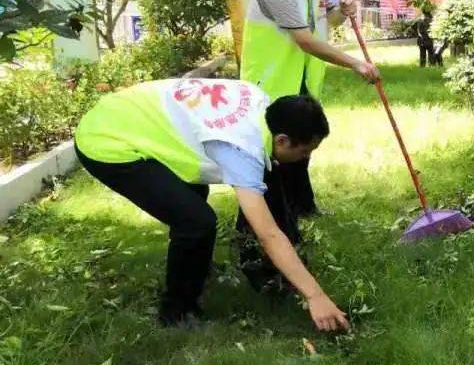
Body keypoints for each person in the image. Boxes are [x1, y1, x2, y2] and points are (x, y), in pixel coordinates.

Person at [74, 78, 351, 332]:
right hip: (107, 139)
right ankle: (177, 314)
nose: (304, 159)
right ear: (282, 140)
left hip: (132, 113)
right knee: (196, 221)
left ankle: (197, 269)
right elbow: (268, 233)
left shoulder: (262, 102)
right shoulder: (241, 149)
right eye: (304, 152)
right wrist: (315, 295)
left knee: (193, 198)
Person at [241, 0, 378, 218]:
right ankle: (270, 219)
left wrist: (343, 10)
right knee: (274, 157)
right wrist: (356, 64)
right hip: (272, 85)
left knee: (303, 146)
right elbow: (304, 39)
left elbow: (325, 20)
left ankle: (303, 207)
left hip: (300, 81)